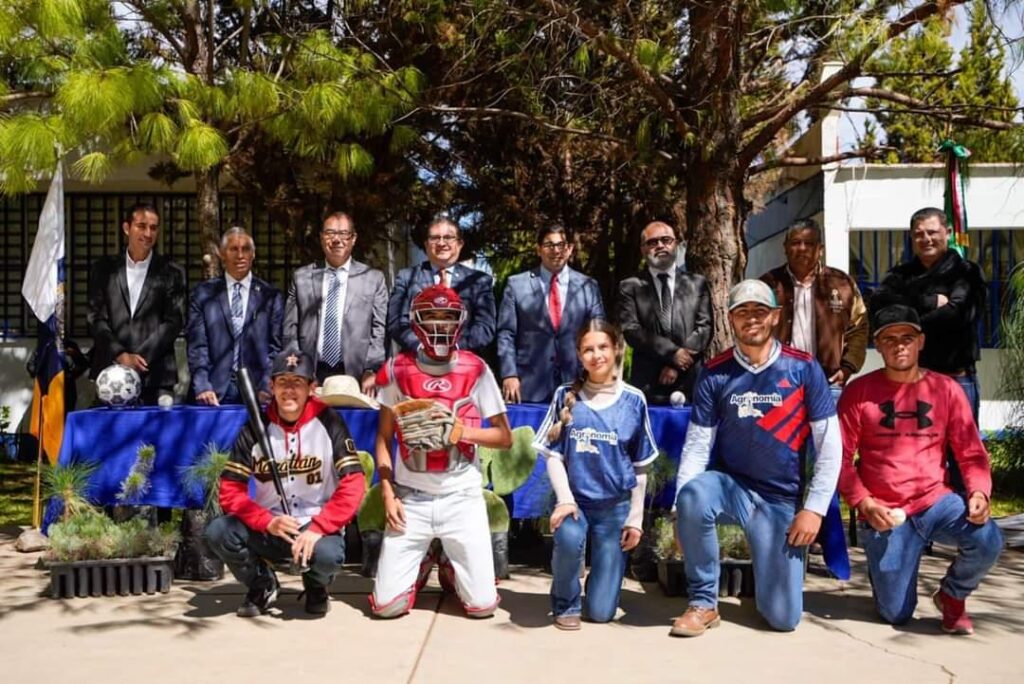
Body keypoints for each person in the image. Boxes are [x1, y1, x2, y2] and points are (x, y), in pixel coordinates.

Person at [671, 279, 841, 636]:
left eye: (759, 311)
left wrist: (814, 509)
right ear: (730, 320)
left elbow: (830, 446)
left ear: (775, 317)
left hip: (780, 501)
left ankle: (766, 581)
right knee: (692, 495)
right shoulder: (716, 372)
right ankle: (703, 602)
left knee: (782, 619)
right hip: (733, 487)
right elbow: (698, 445)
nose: (751, 319)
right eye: (742, 312)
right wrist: (679, 511)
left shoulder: (803, 368)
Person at [838, 304, 1002, 634]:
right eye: (890, 338)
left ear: (921, 342)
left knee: (988, 539)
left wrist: (979, 491)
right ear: (878, 345)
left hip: (935, 503)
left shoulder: (946, 390)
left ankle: (952, 596)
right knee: (895, 614)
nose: (900, 345)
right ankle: (884, 560)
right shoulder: (858, 393)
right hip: (886, 511)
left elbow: (971, 453)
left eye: (908, 337)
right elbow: (839, 462)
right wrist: (865, 503)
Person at [370, 285, 512, 619]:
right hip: (412, 495)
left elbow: (504, 437)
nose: (440, 326)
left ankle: (449, 563)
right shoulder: (396, 369)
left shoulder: (475, 368)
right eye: (431, 316)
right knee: (387, 607)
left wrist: (463, 432)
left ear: (459, 322)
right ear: (416, 321)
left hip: (460, 495)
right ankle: (422, 560)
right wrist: (389, 494)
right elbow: (383, 438)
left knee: (482, 607)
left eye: (447, 318)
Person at [204, 350, 366, 617]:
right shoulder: (255, 428)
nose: (289, 390)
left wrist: (319, 527)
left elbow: (354, 483)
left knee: (328, 557)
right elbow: (231, 490)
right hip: (270, 525)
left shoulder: (329, 422)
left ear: (312, 388)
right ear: (272, 386)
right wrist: (266, 521)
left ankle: (316, 586)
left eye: (298, 383)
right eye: (282, 382)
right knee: (218, 532)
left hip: (314, 526)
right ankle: (262, 583)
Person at [533, 319, 658, 629]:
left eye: (603, 347)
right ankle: (566, 601)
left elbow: (641, 466)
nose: (596, 355)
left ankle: (600, 586)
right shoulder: (565, 395)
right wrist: (564, 500)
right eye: (588, 349)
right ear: (579, 354)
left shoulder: (633, 400)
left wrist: (635, 519)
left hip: (614, 508)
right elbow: (552, 455)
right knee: (569, 538)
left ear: (616, 349)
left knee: (602, 614)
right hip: (574, 504)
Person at [870, 207, 986, 420]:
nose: (926, 239)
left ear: (948, 232)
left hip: (956, 377)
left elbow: (958, 316)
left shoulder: (967, 271)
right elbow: (879, 304)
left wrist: (908, 325)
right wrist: (930, 301)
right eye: (919, 234)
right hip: (910, 379)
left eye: (932, 232)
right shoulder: (900, 275)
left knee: (962, 450)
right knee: (914, 450)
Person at [87, 202, 186, 405]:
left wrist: (140, 357)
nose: (148, 233)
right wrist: (120, 355)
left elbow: (174, 321)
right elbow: (96, 318)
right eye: (141, 226)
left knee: (158, 437)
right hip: (110, 376)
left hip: (156, 375)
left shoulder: (172, 271)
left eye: (153, 227)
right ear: (126, 228)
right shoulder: (103, 269)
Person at [759, 218, 867, 403]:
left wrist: (848, 367)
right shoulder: (767, 284)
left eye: (809, 243)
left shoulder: (842, 283)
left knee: (827, 433)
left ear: (820, 249)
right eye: (795, 243)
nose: (802, 248)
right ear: (785, 247)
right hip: (777, 382)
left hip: (828, 383)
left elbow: (859, 328)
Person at [497, 225, 606, 404]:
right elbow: (506, 334)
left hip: (578, 384)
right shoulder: (516, 285)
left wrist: (597, 374)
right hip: (528, 385)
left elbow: (598, 334)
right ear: (539, 250)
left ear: (569, 249)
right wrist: (509, 374)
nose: (556, 250)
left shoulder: (588, 286)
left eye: (561, 245)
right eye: (549, 245)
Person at [284, 212, 389, 391]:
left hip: (357, 375)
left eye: (343, 234)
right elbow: (290, 330)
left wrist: (371, 368)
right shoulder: (301, 277)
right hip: (312, 373)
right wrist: (297, 370)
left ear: (353, 238)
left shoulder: (373, 279)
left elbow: (379, 331)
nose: (336, 239)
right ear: (321, 237)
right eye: (330, 233)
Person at [616, 221, 713, 404]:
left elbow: (704, 328)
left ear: (676, 244)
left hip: (690, 381)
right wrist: (672, 353)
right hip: (647, 384)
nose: (660, 245)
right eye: (652, 242)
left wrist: (675, 364)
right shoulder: (630, 286)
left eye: (666, 240)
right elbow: (632, 331)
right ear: (643, 250)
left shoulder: (697, 283)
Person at [186, 227, 283, 405]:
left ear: (253, 254)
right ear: (222, 255)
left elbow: (275, 349)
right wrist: (202, 385)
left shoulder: (270, 296)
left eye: (245, 249)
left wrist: (266, 386)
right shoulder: (203, 294)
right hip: (214, 392)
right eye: (233, 249)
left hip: (256, 392)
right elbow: (197, 346)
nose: (240, 255)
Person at [387, 217, 497, 354]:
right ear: (426, 244)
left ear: (460, 244)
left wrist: (453, 347)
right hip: (417, 360)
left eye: (448, 237)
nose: (441, 243)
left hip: (464, 362)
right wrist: (422, 347)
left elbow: (485, 327)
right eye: (434, 238)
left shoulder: (479, 281)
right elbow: (396, 322)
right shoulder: (406, 277)